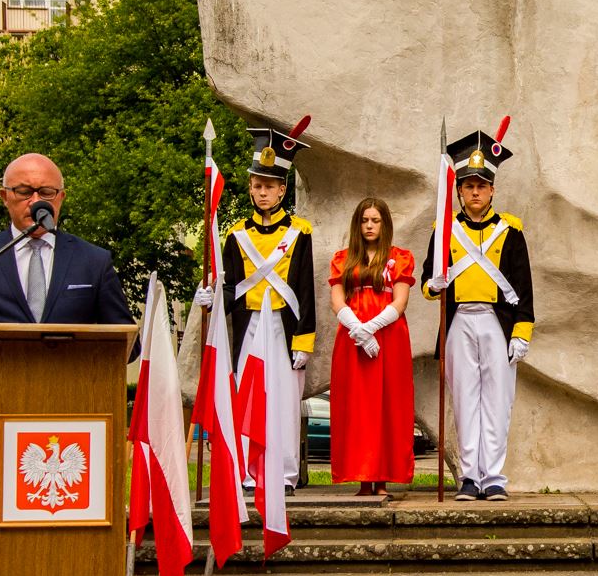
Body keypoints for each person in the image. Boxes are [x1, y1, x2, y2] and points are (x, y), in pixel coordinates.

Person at [0, 153, 135, 457]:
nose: (36, 201)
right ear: (5, 197)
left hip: (80, 422)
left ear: (60, 198)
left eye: (46, 192)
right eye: (24, 192)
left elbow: (128, 340)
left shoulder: (94, 261)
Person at [423, 125, 534, 500]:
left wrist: (522, 332)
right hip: (458, 322)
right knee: (465, 400)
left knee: (498, 401)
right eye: (468, 185)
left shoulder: (510, 230)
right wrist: (433, 285)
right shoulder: (444, 229)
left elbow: (523, 288)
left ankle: (495, 477)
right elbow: (427, 280)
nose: (474, 191)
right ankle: (470, 476)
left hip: (496, 322)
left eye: (481, 185)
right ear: (457, 190)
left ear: (492, 189)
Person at [209, 127, 316, 493]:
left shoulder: (300, 233)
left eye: (270, 186)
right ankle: (246, 472)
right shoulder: (236, 234)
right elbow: (229, 287)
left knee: (284, 401)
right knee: (247, 397)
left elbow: (304, 290)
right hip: (249, 326)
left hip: (282, 328)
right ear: (250, 187)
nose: (263, 192)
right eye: (257, 185)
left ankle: (283, 474)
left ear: (282, 190)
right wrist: (211, 300)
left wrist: (304, 339)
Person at [329, 196, 415, 493]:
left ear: (384, 224)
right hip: (352, 339)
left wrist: (372, 328)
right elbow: (337, 299)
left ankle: (382, 477)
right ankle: (363, 477)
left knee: (389, 405)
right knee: (358, 407)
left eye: (375, 220)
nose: (369, 226)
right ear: (357, 224)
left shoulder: (400, 257)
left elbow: (400, 301)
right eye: (364, 220)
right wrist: (358, 329)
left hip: (389, 336)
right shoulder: (343, 258)